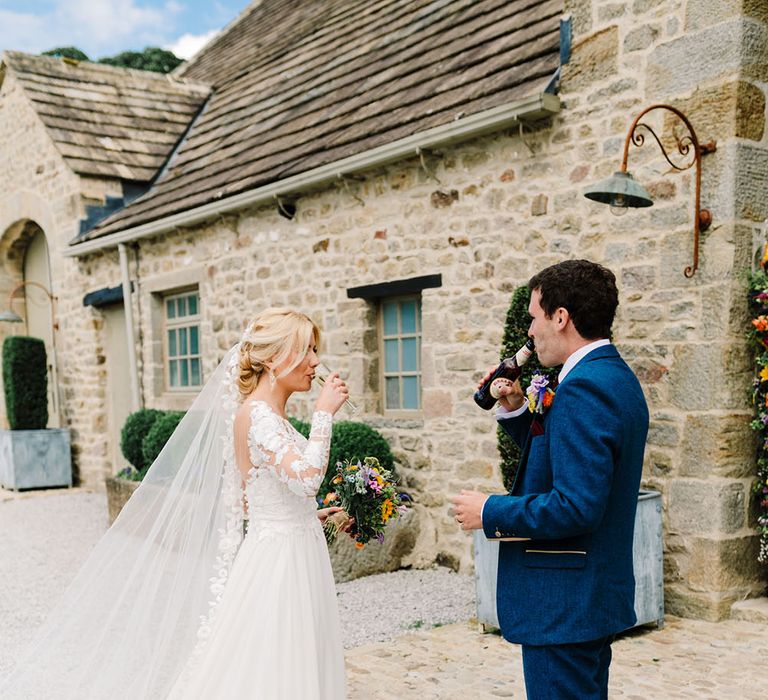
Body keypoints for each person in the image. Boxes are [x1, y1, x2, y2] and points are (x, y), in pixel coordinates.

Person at [1, 308, 351, 699]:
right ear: (273, 359)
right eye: (307, 350)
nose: (316, 362)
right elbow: (307, 479)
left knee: (298, 655)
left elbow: (259, 500)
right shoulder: (256, 416)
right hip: (278, 563)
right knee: (276, 663)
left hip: (294, 547)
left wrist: (310, 515)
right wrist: (323, 415)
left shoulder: (271, 416)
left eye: (315, 350)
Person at [452, 259, 649, 700]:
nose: (531, 330)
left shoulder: (584, 387)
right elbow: (570, 458)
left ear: (561, 317)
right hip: (587, 595)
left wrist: (489, 510)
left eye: (535, 317)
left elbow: (577, 504)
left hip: (564, 601)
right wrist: (517, 409)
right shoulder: (609, 375)